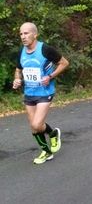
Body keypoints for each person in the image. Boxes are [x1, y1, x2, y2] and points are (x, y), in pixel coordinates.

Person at [12, 22, 69, 164]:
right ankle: (46, 151)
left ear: (35, 34)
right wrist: (17, 79)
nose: (23, 37)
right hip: (29, 93)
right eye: (21, 34)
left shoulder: (45, 49)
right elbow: (18, 70)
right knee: (34, 126)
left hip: (45, 92)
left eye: (26, 33)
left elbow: (64, 63)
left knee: (37, 125)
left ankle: (53, 134)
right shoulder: (21, 52)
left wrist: (50, 76)